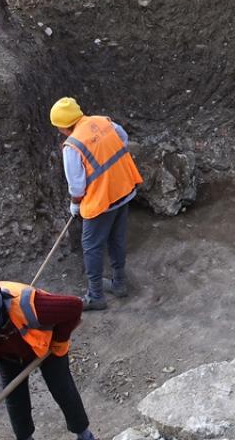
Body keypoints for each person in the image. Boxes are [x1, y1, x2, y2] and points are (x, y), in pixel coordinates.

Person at [0, 282, 95, 440]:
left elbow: (74, 306)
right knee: (15, 401)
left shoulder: (32, 307)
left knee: (63, 389)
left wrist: (60, 339)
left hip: (47, 346)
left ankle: (84, 435)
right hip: (8, 356)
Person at [50, 97, 142, 310]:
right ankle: (119, 284)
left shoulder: (72, 146)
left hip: (102, 201)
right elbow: (123, 138)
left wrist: (75, 204)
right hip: (124, 189)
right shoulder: (103, 122)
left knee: (91, 247)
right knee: (116, 239)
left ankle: (95, 296)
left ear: (63, 127)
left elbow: (76, 185)